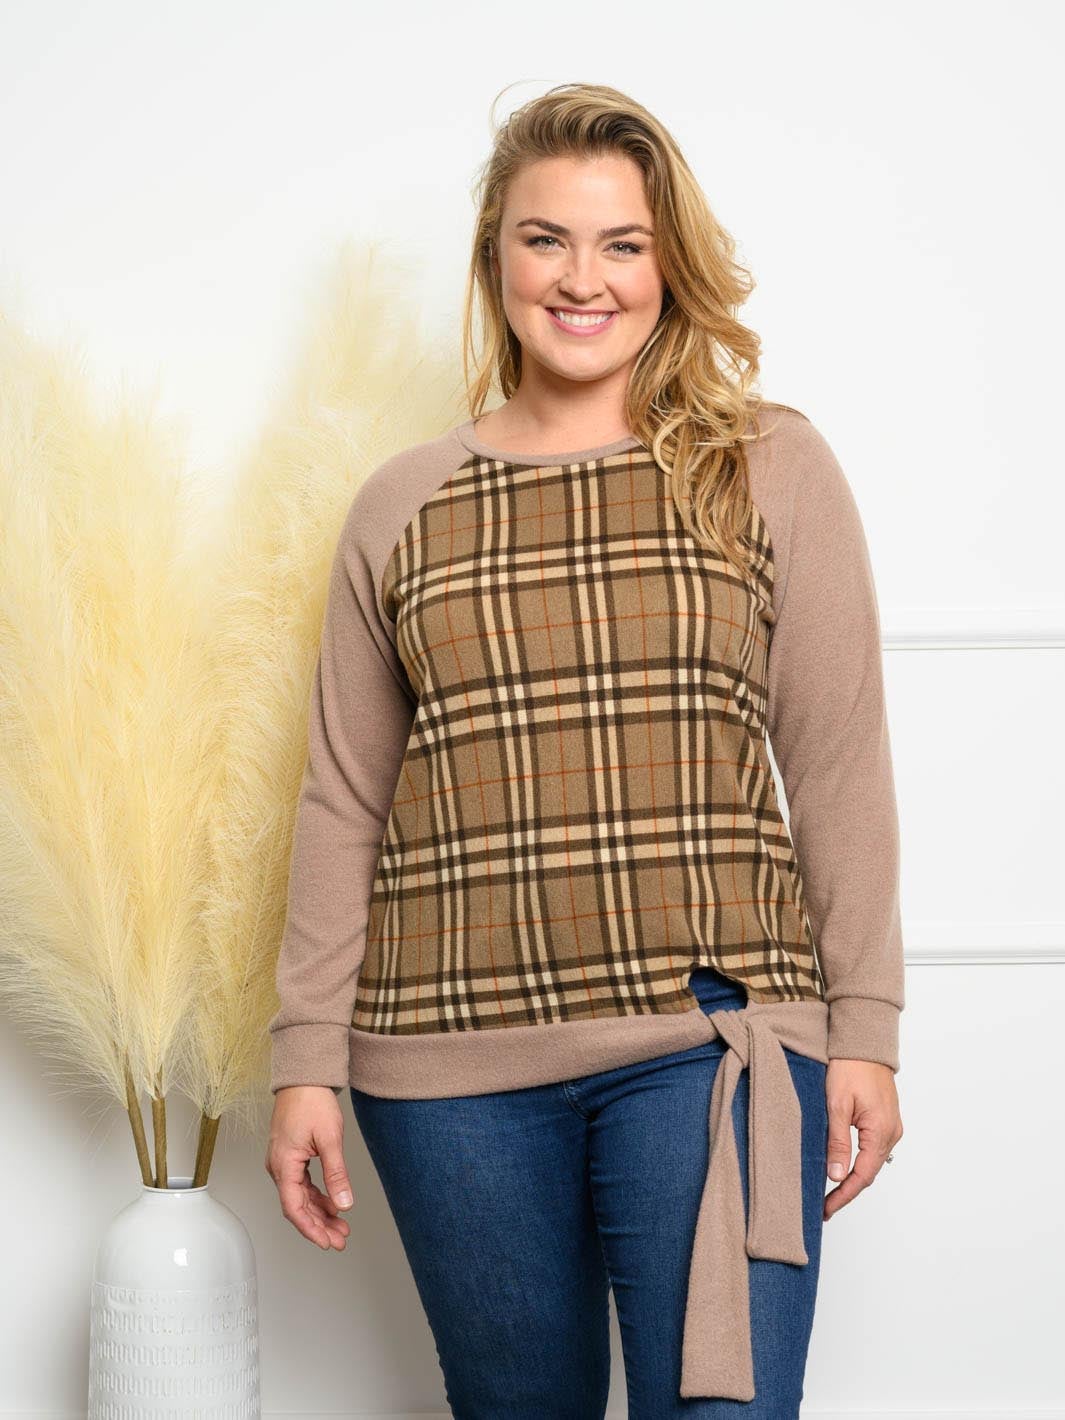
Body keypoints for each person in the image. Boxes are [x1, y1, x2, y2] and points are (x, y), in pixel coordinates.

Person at [264, 81, 905, 1419]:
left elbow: (835, 762)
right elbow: (343, 800)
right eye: (545, 238)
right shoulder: (401, 505)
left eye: (622, 244)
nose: (581, 279)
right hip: (449, 1076)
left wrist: (867, 1034)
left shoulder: (764, 467)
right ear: (493, 256)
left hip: (709, 1040)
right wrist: (305, 1057)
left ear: (668, 263)